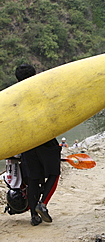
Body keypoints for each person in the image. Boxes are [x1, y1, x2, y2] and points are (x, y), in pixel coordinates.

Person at [15, 64, 62, 225]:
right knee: (54, 173)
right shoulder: (41, 91)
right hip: (45, 139)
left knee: (33, 179)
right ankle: (42, 205)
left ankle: (34, 217)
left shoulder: (13, 96)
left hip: (27, 141)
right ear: (34, 75)